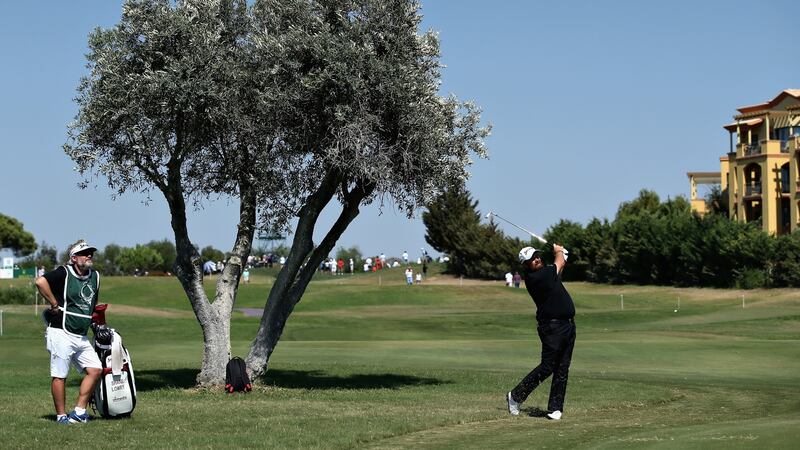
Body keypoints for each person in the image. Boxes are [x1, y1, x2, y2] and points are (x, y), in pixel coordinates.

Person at [35, 240, 103, 424]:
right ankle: (61, 416)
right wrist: (54, 303)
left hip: (80, 334)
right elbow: (40, 282)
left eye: (91, 253)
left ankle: (79, 411)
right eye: (84, 253)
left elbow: (90, 305)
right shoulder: (64, 271)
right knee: (60, 375)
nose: (89, 256)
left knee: (95, 370)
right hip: (60, 332)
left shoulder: (95, 276)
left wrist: (97, 323)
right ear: (74, 258)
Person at [507, 245, 576, 421]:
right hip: (552, 327)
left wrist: (562, 256)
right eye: (532, 259)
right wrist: (559, 250)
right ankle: (515, 396)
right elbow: (559, 261)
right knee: (548, 366)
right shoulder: (537, 276)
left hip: (567, 326)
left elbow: (560, 267)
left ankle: (555, 408)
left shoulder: (547, 273)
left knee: (562, 368)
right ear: (526, 264)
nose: (536, 259)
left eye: (537, 256)